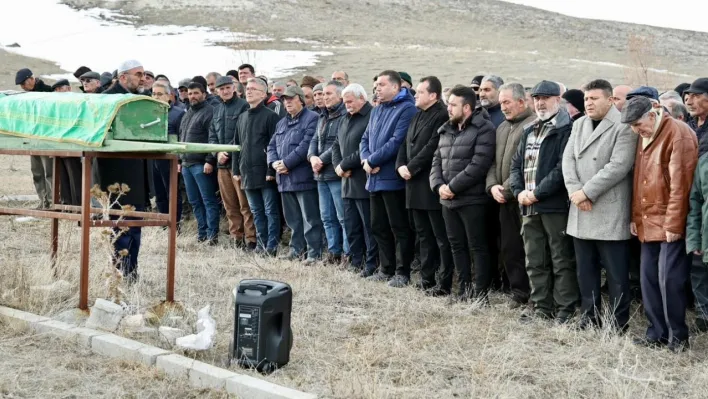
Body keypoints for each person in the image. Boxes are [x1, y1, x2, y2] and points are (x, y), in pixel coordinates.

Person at [623, 96, 698, 351]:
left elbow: (682, 186)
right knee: (648, 280)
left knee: (670, 281)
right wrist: (635, 216)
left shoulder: (678, 133)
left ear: (653, 114)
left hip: (669, 221)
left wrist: (674, 226)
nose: (636, 130)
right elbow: (638, 179)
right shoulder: (643, 135)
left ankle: (678, 337)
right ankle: (657, 332)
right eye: (632, 126)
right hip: (647, 220)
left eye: (638, 124)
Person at [562, 79, 637, 331]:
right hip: (580, 208)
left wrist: (587, 193)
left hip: (608, 209)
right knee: (586, 271)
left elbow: (618, 166)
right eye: (586, 99)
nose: (588, 103)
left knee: (616, 275)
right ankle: (588, 317)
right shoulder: (580, 123)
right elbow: (568, 160)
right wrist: (575, 192)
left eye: (594, 98)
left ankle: (617, 323)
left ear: (610, 99)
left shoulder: (623, 125)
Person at [510, 80, 578, 323]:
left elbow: (563, 168)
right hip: (527, 204)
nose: (540, 102)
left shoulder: (567, 129)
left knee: (560, 259)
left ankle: (565, 310)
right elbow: (516, 164)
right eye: (537, 98)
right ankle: (541, 308)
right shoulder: (530, 129)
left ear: (558, 100)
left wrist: (538, 192)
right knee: (535, 259)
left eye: (546, 98)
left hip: (553, 205)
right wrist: (518, 191)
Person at [431, 85, 495, 301]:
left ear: (467, 107)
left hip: (472, 200)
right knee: (456, 245)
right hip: (448, 200)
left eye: (452, 105)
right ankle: (463, 290)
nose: (448, 108)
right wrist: (439, 186)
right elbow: (436, 160)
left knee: (477, 246)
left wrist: (452, 187)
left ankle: (480, 293)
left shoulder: (484, 129)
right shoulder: (446, 129)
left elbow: (479, 165)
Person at [396, 76, 453, 295]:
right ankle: (427, 278)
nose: (415, 95)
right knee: (423, 235)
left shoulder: (440, 115)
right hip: (412, 184)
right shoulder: (417, 115)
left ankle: (444, 281)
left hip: (429, 184)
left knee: (439, 236)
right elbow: (404, 142)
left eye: (420, 92)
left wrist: (411, 167)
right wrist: (401, 164)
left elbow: (432, 147)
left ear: (433, 95)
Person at [361, 70, 417, 287]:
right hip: (373, 178)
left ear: (396, 87)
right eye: (376, 86)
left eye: (382, 85)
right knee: (378, 225)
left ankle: (402, 272)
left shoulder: (406, 109)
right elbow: (365, 138)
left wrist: (373, 161)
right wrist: (366, 160)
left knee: (399, 227)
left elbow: (397, 142)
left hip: (392, 179)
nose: (377, 89)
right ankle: (386, 268)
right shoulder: (377, 110)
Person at [98, 60, 151, 281]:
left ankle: (131, 271)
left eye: (143, 74)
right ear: (122, 77)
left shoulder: (137, 99)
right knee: (120, 226)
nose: (142, 77)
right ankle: (122, 272)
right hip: (116, 174)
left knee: (134, 224)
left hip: (134, 171)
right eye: (137, 74)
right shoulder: (109, 99)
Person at [486, 83, 536, 308]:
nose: (503, 107)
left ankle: (534, 293)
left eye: (507, 102)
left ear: (522, 102)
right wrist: (492, 186)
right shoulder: (502, 128)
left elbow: (524, 164)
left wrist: (505, 189)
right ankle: (518, 291)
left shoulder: (532, 125)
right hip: (502, 198)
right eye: (501, 102)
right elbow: (494, 162)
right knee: (509, 247)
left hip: (523, 198)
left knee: (529, 249)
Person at [267, 86, 324, 263]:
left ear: (300, 99)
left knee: (310, 218)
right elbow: (271, 146)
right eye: (285, 99)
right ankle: (296, 250)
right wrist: (274, 163)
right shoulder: (281, 122)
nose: (287, 102)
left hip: (303, 177)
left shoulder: (312, 118)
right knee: (293, 219)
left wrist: (286, 163)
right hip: (284, 178)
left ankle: (314, 253)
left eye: (291, 98)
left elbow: (306, 145)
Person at [333, 83, 378, 276]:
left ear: (362, 98)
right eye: (344, 101)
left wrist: (345, 165)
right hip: (346, 181)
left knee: (369, 227)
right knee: (351, 226)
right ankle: (355, 261)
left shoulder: (371, 116)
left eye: (350, 101)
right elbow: (336, 144)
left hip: (363, 180)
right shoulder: (345, 118)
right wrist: (338, 166)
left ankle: (371, 264)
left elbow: (366, 147)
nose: (347, 105)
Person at [233, 77, 282, 255]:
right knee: (256, 211)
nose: (249, 91)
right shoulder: (242, 117)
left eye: (253, 88)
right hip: (247, 171)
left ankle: (272, 246)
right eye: (247, 88)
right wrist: (236, 169)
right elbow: (237, 145)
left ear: (263, 93)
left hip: (265, 172)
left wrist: (271, 170)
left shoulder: (271, 116)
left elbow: (275, 145)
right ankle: (261, 244)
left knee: (270, 210)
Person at [208, 76, 255, 248]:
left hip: (239, 164)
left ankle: (251, 239)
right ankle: (237, 238)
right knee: (230, 205)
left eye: (228, 87)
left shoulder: (243, 105)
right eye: (221, 89)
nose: (225, 91)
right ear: (217, 91)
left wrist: (226, 151)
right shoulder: (217, 110)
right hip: (221, 166)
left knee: (245, 205)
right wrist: (217, 152)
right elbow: (212, 136)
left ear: (234, 88)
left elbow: (244, 134)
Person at [308, 81, 349, 265]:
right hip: (320, 174)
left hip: (334, 173)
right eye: (323, 94)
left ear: (340, 96)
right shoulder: (322, 116)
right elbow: (314, 140)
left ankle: (348, 254)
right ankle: (334, 253)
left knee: (342, 217)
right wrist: (311, 157)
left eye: (329, 94)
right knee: (327, 217)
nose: (324, 97)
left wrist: (321, 159)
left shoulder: (344, 115)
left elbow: (337, 144)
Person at [179, 82, 219, 245]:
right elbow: (182, 137)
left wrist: (210, 160)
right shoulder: (188, 112)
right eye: (190, 93)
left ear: (204, 94)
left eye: (196, 93)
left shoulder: (210, 112)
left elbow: (213, 137)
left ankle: (212, 235)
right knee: (194, 201)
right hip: (187, 164)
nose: (192, 96)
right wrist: (180, 159)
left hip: (201, 164)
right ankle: (201, 233)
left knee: (208, 200)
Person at [16, 68, 54, 209]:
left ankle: (52, 201)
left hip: (46, 138)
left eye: (23, 84)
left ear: (31, 79)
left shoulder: (48, 92)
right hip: (32, 138)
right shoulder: (25, 97)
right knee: (37, 172)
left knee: (49, 172)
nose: (23, 88)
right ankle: (42, 200)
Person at [151, 81, 185, 224]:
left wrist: (180, 160)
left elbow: (183, 137)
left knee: (171, 192)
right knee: (159, 193)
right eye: (153, 93)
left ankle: (174, 224)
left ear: (169, 96)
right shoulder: (149, 113)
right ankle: (164, 222)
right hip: (153, 157)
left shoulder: (178, 114)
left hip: (170, 158)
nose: (156, 97)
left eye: (159, 94)